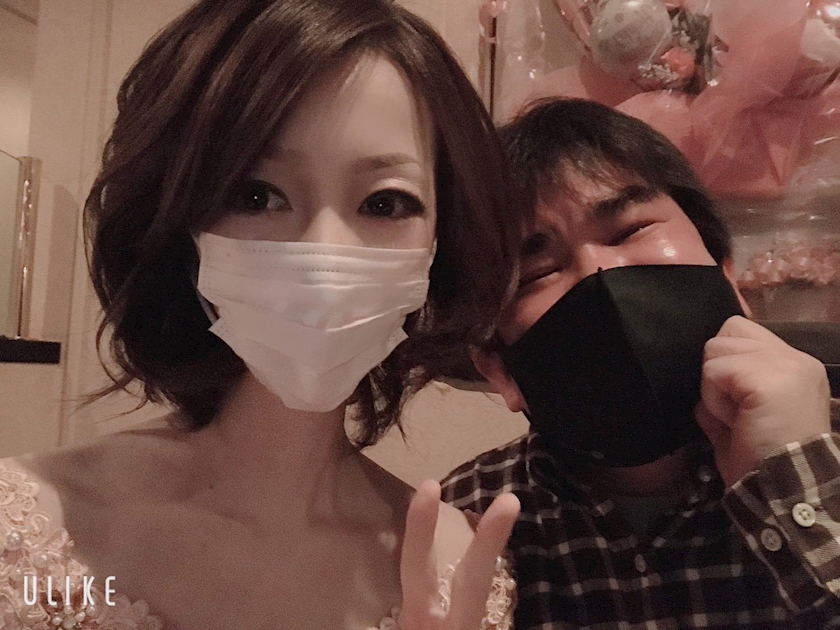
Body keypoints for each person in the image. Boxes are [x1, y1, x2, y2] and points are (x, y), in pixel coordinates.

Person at [0, 1, 522, 628]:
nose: (324, 252)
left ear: (442, 241)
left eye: (385, 204)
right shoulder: (24, 529)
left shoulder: (458, 569)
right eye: (257, 195)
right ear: (181, 220)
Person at [441, 97, 840, 629]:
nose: (597, 272)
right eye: (537, 272)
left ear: (729, 281)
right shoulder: (466, 515)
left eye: (630, 230)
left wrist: (797, 483)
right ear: (499, 371)